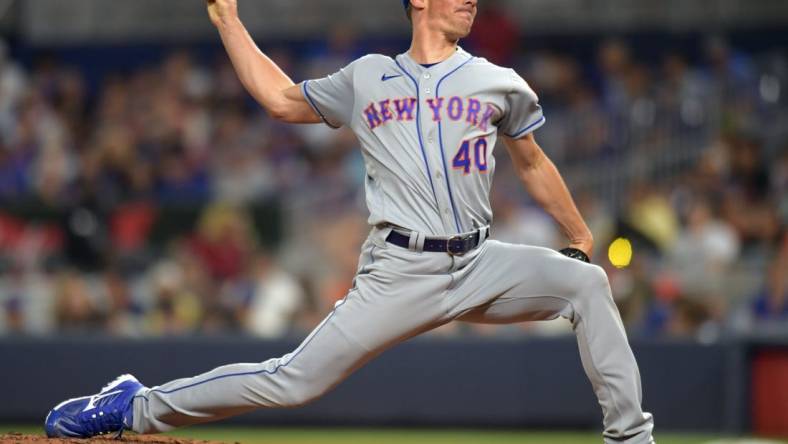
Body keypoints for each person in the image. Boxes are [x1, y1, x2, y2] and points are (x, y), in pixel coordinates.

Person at [44, 1, 655, 442]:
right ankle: (135, 406)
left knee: (587, 283)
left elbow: (533, 161)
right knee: (293, 382)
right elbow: (282, 100)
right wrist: (230, 21)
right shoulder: (366, 77)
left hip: (479, 260)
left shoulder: (499, 81)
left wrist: (578, 234)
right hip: (398, 269)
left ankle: (631, 439)